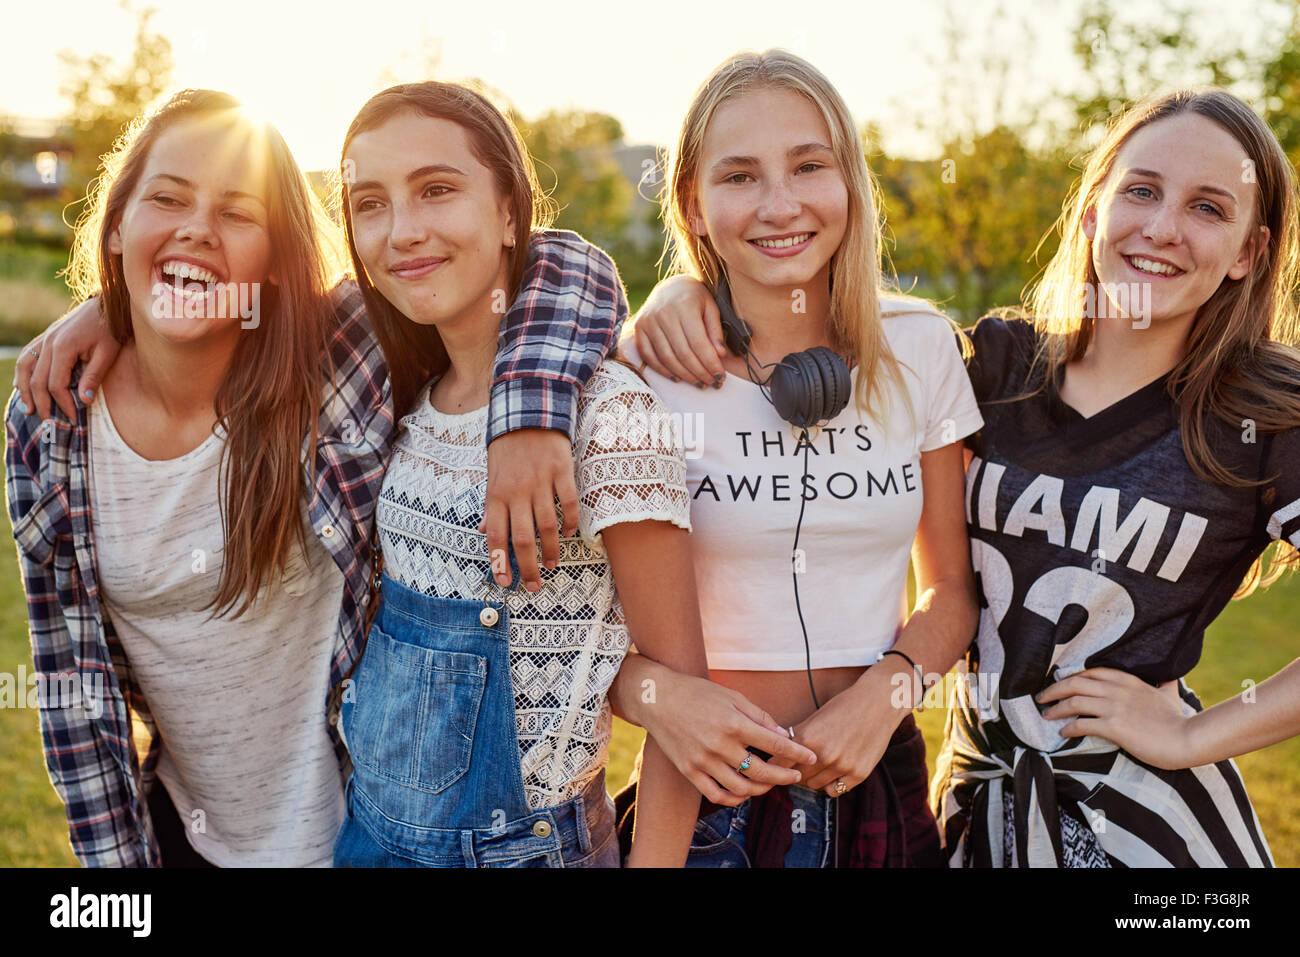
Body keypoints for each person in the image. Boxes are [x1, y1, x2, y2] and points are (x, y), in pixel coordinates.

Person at [631, 86, 1300, 867]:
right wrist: (685, 289)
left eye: (1208, 209)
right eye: (1141, 191)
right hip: (979, 813)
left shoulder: (1267, 412)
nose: (1161, 227)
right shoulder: (995, 365)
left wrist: (1194, 733)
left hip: (1151, 833)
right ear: (1091, 211)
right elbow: (826, 334)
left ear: (1250, 252)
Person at [6, 89, 628, 867]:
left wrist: (528, 414)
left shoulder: (336, 361)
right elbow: (75, 697)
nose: (197, 227)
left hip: (370, 829)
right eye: (167, 199)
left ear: (276, 254)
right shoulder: (53, 422)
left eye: (237, 212)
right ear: (120, 218)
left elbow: (561, 264)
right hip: (186, 840)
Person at [328, 81, 707, 867]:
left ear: (508, 211)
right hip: (369, 836)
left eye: (437, 189)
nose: (403, 231)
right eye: (370, 202)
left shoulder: (607, 416)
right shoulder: (400, 397)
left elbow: (681, 706)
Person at [616, 49, 980, 867]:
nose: (780, 205)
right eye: (739, 175)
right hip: (706, 799)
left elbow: (952, 592)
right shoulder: (643, 375)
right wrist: (664, 701)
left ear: (849, 182)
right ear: (694, 205)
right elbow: (588, 646)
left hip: (875, 775)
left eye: (809, 166)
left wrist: (884, 697)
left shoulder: (921, 349)